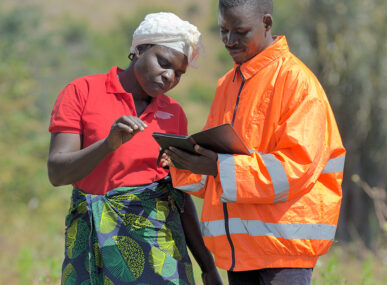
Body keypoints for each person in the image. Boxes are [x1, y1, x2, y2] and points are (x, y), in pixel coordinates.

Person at [161, 1, 346, 284]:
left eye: (240, 31)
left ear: (267, 24)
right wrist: (183, 162)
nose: (229, 41)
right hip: (238, 253)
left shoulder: (297, 81)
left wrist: (220, 167)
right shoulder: (227, 84)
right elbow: (216, 168)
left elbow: (296, 168)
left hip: (283, 251)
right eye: (223, 31)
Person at [47, 12, 222, 285]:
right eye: (163, 63)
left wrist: (207, 266)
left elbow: (178, 193)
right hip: (92, 244)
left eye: (179, 73)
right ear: (139, 49)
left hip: (157, 247)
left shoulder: (173, 113)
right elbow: (57, 173)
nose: (169, 77)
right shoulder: (82, 92)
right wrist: (108, 145)